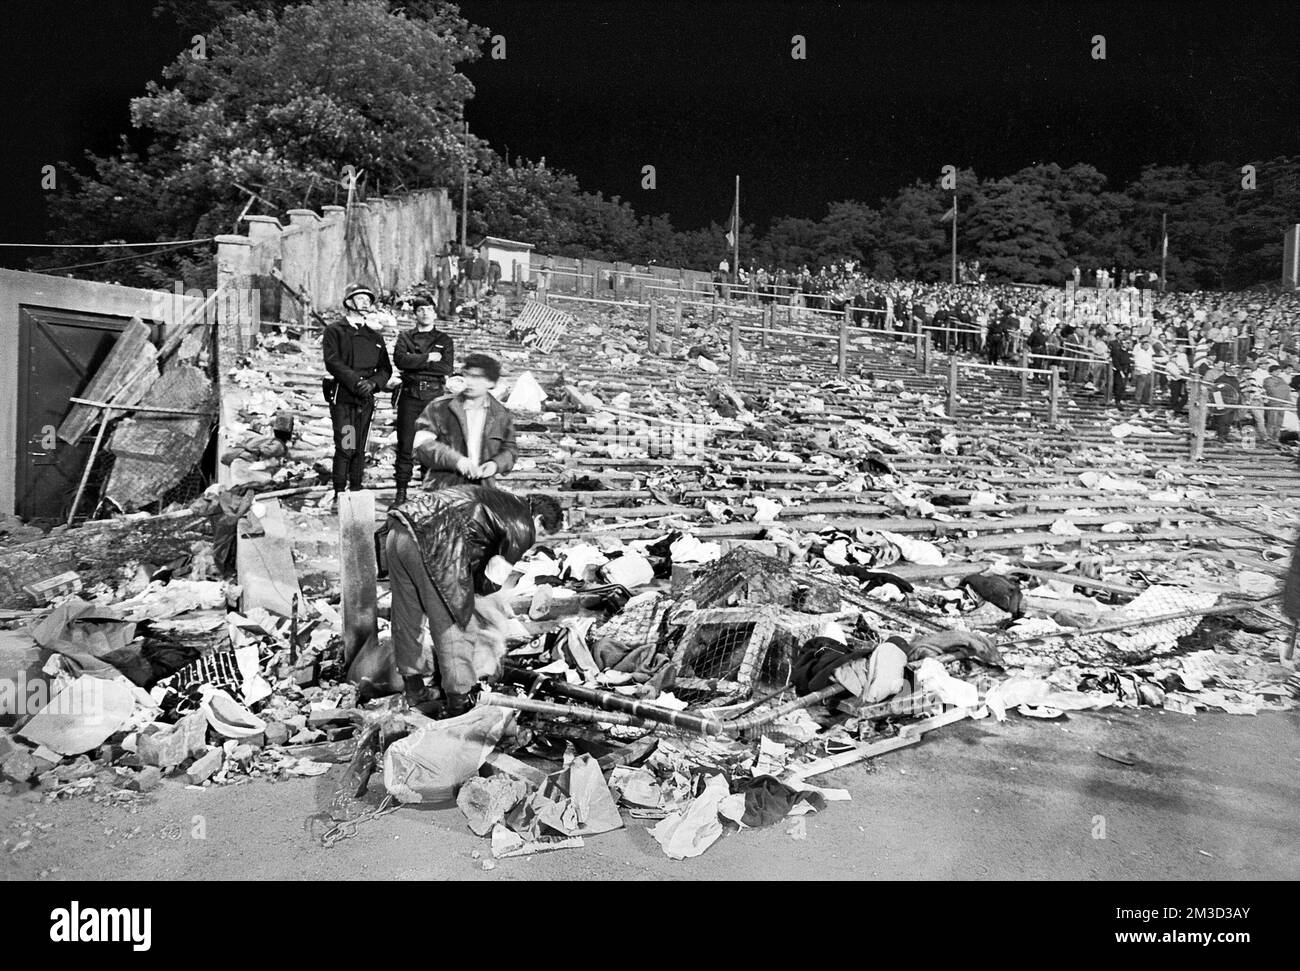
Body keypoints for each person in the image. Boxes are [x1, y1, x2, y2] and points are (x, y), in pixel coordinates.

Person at [387, 484, 563, 716]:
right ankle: (459, 702)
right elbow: (489, 581)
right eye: (541, 535)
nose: (534, 541)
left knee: (407, 616)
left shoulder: (502, 500)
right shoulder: (523, 525)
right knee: (455, 621)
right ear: (538, 520)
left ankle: (414, 690)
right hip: (435, 544)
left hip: (401, 528)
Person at [322, 283, 393, 503]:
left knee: (360, 446)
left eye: (367, 299)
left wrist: (373, 384)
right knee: (346, 445)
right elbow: (333, 362)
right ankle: (340, 492)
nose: (365, 302)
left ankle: (356, 489)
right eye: (360, 298)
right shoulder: (335, 330)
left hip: (365, 399)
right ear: (349, 302)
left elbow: (385, 369)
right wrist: (357, 382)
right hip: (345, 398)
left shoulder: (375, 337)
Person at [412, 352, 517, 489]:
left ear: (491, 383)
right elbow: (421, 444)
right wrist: (457, 461)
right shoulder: (439, 407)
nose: (470, 382)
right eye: (467, 375)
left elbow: (510, 450)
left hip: (482, 491)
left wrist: (495, 464)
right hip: (443, 489)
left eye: (477, 377)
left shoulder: (501, 415)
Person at [391, 298, 454, 505]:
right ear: (415, 314)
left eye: (429, 309)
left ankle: (428, 494)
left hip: (434, 398)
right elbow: (400, 361)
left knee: (430, 445)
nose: (425, 313)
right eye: (420, 310)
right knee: (406, 445)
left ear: (435, 313)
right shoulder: (405, 336)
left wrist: (414, 362)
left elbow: (445, 369)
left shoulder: (444, 340)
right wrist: (428, 358)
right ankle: (401, 493)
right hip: (410, 396)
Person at [434, 242, 458, 318]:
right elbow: (439, 270)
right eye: (456, 257)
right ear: (453, 256)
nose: (456, 259)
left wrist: (454, 279)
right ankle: (441, 313)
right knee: (442, 297)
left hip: (449, 282)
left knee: (446, 298)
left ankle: (446, 312)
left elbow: (453, 271)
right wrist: (440, 279)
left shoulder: (453, 262)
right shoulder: (444, 260)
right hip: (444, 281)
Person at [1132, 335, 1155, 405]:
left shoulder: (1148, 353)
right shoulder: (1139, 353)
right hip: (1142, 372)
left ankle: (1145, 400)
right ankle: (1137, 399)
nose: (1147, 346)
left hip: (1148, 371)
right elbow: (1137, 362)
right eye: (1145, 345)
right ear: (1142, 346)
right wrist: (1141, 371)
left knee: (1147, 387)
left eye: (1148, 345)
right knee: (1140, 386)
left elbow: (1150, 362)